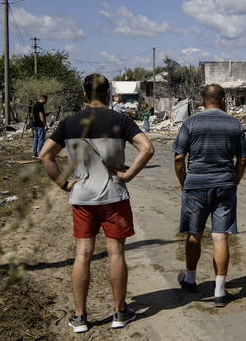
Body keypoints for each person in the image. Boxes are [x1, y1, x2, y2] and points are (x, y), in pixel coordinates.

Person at [38, 73, 154, 333]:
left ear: (84, 94)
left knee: (83, 254)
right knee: (116, 253)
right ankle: (119, 312)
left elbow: (44, 155)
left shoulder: (69, 123)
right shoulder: (120, 120)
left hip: (82, 199)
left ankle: (80, 318)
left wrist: (64, 184)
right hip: (114, 197)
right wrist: (127, 175)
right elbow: (147, 148)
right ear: (109, 92)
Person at [172, 84, 246, 307]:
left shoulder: (190, 122)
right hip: (225, 185)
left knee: (194, 235)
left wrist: (183, 183)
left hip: (196, 185)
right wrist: (235, 181)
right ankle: (219, 291)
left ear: (202, 101)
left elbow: (178, 158)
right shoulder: (234, 123)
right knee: (220, 236)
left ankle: (190, 280)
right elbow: (242, 158)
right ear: (223, 100)